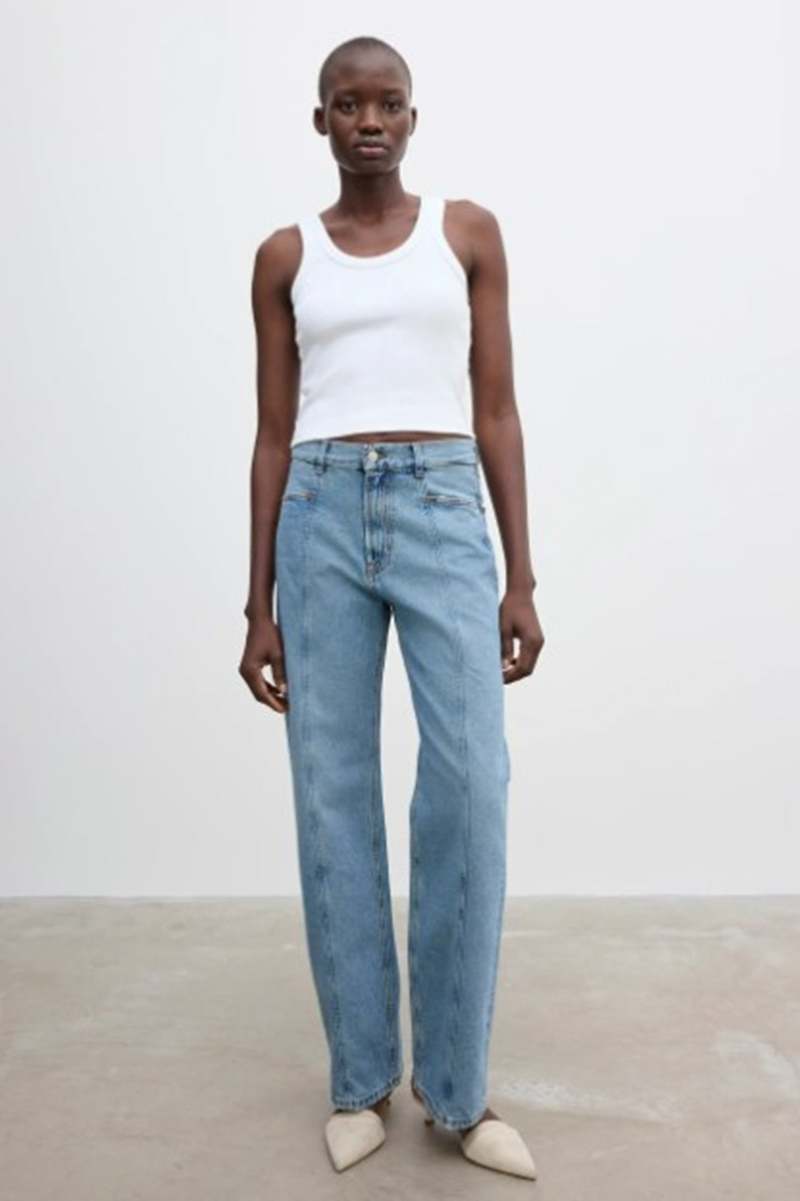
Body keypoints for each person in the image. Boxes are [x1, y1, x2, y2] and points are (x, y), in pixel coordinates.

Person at [239, 35, 544, 1178]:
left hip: (440, 505)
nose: (369, 120)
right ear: (319, 120)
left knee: (467, 785)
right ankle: (359, 1078)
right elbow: (272, 433)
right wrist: (256, 602)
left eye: (389, 103)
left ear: (412, 119)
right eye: (347, 104)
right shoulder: (285, 255)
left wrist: (519, 575)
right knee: (331, 796)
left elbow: (496, 409)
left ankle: (457, 1091)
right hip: (317, 513)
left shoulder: (466, 234)